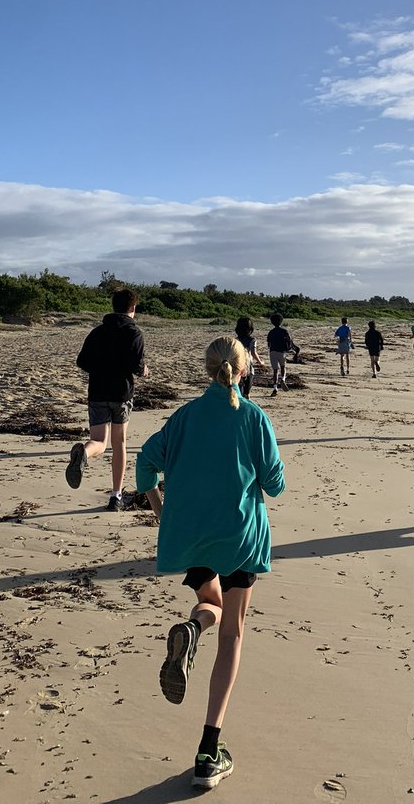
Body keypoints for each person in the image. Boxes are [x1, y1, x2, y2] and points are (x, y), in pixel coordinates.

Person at [136, 337, 285, 789]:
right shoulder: (254, 417)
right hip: (239, 535)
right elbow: (275, 484)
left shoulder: (182, 417)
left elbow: (145, 463)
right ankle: (208, 749)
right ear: (243, 370)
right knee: (234, 632)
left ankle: (192, 629)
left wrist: (159, 504)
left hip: (192, 534)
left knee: (209, 602)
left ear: (208, 370)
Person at [68, 288, 149, 511]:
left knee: (99, 443)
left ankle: (83, 452)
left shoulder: (97, 332)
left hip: (97, 392)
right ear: (132, 308)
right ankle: (116, 496)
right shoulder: (135, 334)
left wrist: (101, 367)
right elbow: (137, 366)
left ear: (113, 307)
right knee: (119, 444)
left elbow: (82, 361)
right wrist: (144, 371)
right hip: (121, 394)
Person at [266, 313, 299, 397]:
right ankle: (283, 379)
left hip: (273, 352)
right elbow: (290, 342)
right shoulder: (284, 331)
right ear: (281, 321)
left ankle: (275, 388)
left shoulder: (271, 332)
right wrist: (295, 349)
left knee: (275, 371)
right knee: (283, 367)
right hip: (282, 352)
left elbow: (269, 344)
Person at [234, 317, 265, 399]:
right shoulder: (252, 340)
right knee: (247, 393)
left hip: (238, 366)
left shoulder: (236, 340)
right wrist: (260, 362)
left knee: (239, 391)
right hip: (248, 367)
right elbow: (253, 352)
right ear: (250, 328)